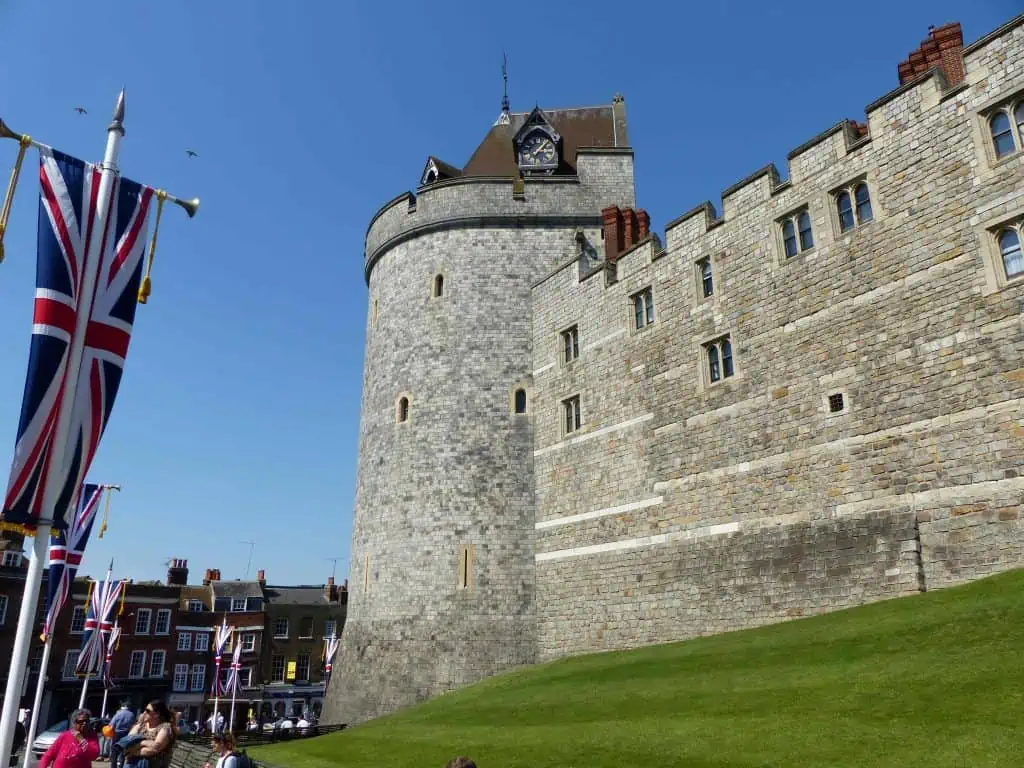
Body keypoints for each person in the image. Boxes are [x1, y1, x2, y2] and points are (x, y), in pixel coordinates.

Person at [125, 700, 176, 768]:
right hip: (132, 764)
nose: (144, 713)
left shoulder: (165, 727)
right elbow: (127, 743)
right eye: (144, 710)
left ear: (156, 714)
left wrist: (132, 751)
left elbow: (154, 749)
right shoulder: (141, 725)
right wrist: (144, 743)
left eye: (147, 711)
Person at [109, 701, 135, 768]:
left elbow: (111, 725)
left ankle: (113, 766)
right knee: (122, 752)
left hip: (117, 734)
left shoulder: (118, 713)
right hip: (126, 734)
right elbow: (132, 726)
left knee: (114, 752)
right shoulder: (131, 714)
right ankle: (121, 766)